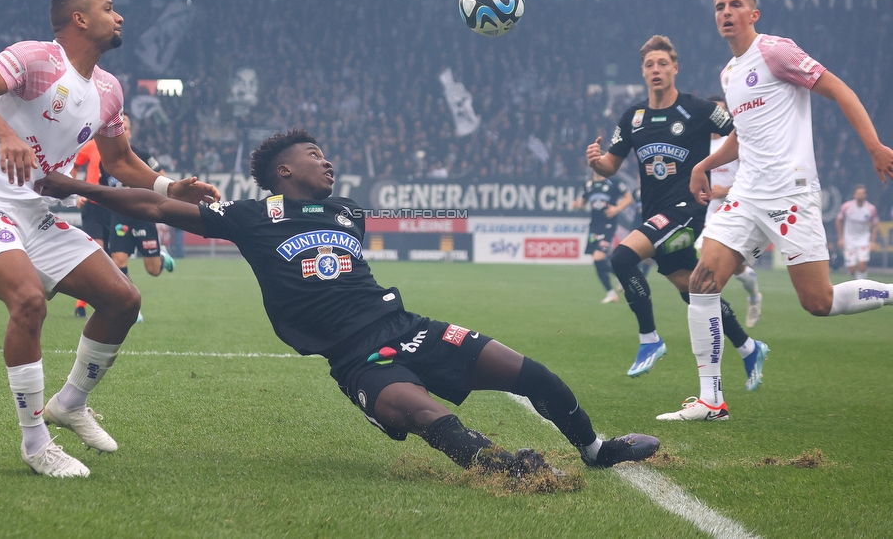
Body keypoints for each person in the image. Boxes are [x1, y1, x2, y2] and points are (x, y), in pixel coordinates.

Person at [37, 129, 661, 477]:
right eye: (314, 154)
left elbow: (407, 218)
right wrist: (76, 188)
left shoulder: (345, 211)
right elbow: (156, 206)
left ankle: (594, 449)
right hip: (357, 357)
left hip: (406, 324)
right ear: (283, 171)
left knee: (531, 373)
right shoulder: (253, 215)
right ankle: (502, 466)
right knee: (425, 415)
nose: (327, 159)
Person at [0, 0, 219, 477]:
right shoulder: (35, 58)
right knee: (28, 299)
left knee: (123, 299)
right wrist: (6, 134)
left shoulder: (110, 90)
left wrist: (168, 185)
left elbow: (119, 160)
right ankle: (35, 443)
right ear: (78, 19)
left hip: (38, 215)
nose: (119, 17)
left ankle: (70, 402)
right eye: (109, 8)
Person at [672, 0, 893, 422]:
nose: (726, 12)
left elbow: (839, 89)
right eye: (719, 6)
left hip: (789, 193)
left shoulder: (776, 51)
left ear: (753, 14)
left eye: (736, 4)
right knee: (702, 280)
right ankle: (711, 399)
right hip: (747, 195)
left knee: (818, 302)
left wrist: (874, 145)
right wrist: (704, 164)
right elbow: (743, 135)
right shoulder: (730, 73)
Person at [586, 35, 768, 395]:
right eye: (650, 65)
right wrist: (597, 160)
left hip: (687, 209)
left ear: (675, 69)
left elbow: (744, 133)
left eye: (662, 64)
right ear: (643, 71)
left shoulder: (698, 110)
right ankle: (750, 348)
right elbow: (611, 163)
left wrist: (713, 166)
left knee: (621, 258)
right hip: (656, 213)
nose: (656, 70)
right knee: (695, 291)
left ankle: (650, 339)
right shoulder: (634, 117)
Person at [100, 114, 175, 323]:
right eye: (119, 127)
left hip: (143, 217)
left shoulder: (143, 155)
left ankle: (160, 257)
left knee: (153, 270)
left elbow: (163, 177)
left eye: (126, 127)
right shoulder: (105, 160)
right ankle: (132, 308)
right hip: (119, 217)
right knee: (118, 261)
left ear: (131, 132)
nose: (123, 130)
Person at [696, 96, 764, 327]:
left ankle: (754, 296)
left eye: (723, 112)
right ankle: (714, 318)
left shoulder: (736, 144)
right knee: (704, 266)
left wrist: (724, 189)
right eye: (715, 111)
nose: (719, 116)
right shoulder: (699, 143)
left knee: (736, 269)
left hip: (734, 207)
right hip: (706, 212)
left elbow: (752, 176)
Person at [572, 172, 633, 303]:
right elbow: (582, 204)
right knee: (597, 261)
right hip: (594, 226)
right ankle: (611, 292)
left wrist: (617, 208)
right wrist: (577, 205)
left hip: (608, 225)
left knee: (598, 257)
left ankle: (618, 277)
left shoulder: (614, 182)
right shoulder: (588, 184)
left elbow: (628, 198)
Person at [70, 138, 109, 318]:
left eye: (127, 128)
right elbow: (73, 164)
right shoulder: (93, 145)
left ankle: (113, 302)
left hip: (114, 207)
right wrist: (76, 193)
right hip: (92, 206)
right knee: (97, 252)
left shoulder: (125, 150)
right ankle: (81, 304)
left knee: (114, 258)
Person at [835, 185, 879, 280]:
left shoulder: (871, 208)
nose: (860, 195)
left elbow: (875, 224)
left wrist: (873, 242)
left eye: (862, 193)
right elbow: (838, 220)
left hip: (863, 239)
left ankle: (862, 285)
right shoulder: (846, 207)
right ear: (854, 195)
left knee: (862, 265)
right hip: (849, 239)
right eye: (858, 193)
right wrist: (841, 238)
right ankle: (855, 283)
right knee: (852, 268)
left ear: (866, 195)